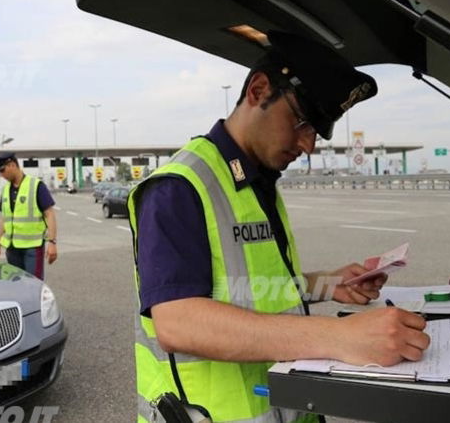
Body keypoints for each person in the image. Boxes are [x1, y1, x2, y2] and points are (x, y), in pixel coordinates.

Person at [128, 31, 431, 423]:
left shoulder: (258, 180)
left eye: (317, 133)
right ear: (258, 90)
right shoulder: (179, 187)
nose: (308, 146)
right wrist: (340, 337)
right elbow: (178, 321)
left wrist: (327, 283)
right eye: (303, 122)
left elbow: (249, 286)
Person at [0, 153, 58, 280]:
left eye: (2, 170)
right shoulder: (6, 190)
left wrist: (52, 242)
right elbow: (4, 219)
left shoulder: (36, 186)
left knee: (34, 285)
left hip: (32, 248)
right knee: (16, 285)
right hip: (12, 249)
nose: (1, 175)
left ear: (12, 165)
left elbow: (50, 214)